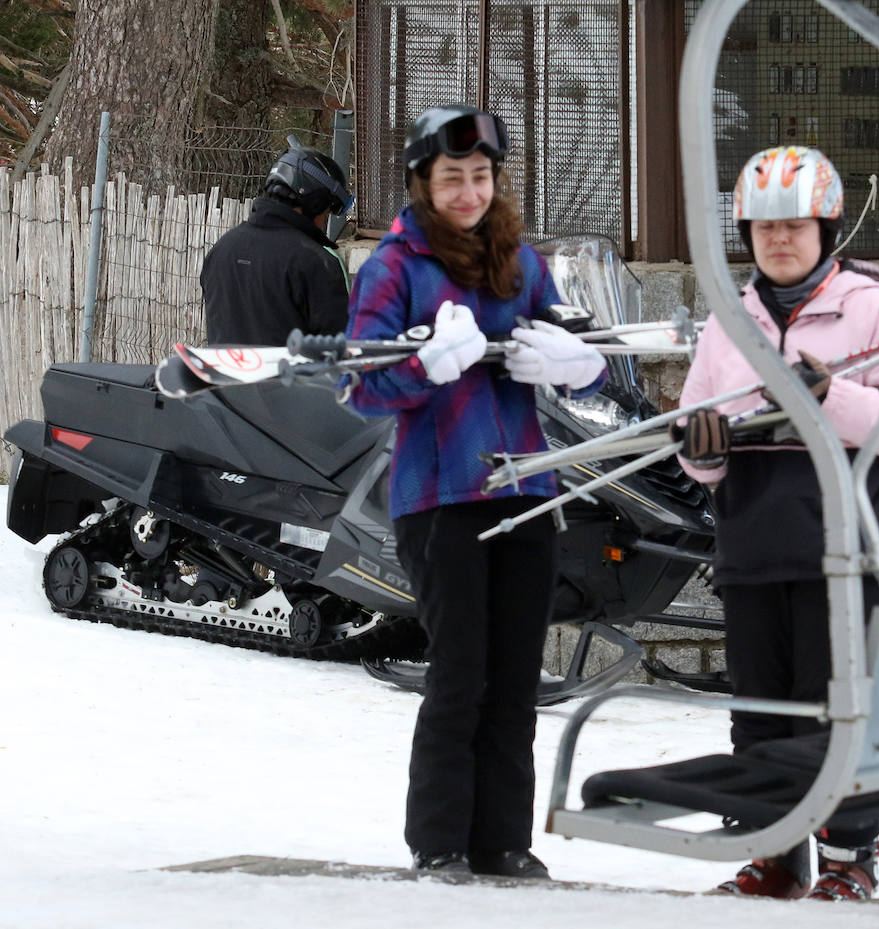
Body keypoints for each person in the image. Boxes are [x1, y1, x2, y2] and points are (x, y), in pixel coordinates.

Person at [342, 103, 607, 880]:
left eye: (481, 176)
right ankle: (440, 840)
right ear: (424, 181)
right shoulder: (391, 267)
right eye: (452, 176)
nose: (468, 191)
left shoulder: (520, 262)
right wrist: (425, 366)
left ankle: (503, 839)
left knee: (518, 671)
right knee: (462, 670)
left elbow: (576, 338)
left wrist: (574, 362)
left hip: (526, 486)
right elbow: (361, 388)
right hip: (440, 496)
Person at [676, 146, 879, 901]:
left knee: (838, 709)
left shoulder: (875, 309)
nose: (779, 239)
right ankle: (771, 849)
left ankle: (849, 857)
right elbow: (699, 438)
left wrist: (830, 396)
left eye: (794, 224)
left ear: (826, 226)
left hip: (846, 548)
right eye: (763, 227)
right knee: (762, 707)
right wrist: (700, 454)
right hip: (754, 546)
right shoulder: (729, 320)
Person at [201, 144, 353, 345]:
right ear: (315, 203)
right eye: (326, 213)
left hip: (224, 375)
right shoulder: (314, 263)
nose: (325, 222)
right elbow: (337, 351)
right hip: (288, 376)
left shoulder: (221, 250)